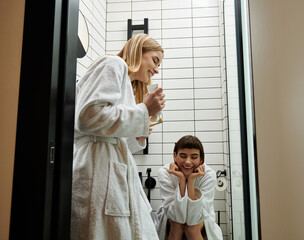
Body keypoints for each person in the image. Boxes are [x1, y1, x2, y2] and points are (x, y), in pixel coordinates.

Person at [71, 34, 165, 240]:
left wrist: (139, 132)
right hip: (97, 169)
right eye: (155, 60)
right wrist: (143, 111)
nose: (157, 69)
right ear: (138, 51)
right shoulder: (113, 64)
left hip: (110, 170)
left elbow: (117, 140)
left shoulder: (128, 87)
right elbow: (88, 117)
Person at [155, 135, 223, 240]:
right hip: (171, 215)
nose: (187, 161)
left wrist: (190, 181)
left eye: (194, 157)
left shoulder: (209, 174)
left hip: (201, 215)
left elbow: (194, 218)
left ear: (201, 159)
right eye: (183, 156)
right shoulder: (165, 172)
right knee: (178, 225)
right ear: (175, 156)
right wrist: (182, 179)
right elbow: (177, 216)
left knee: (192, 228)